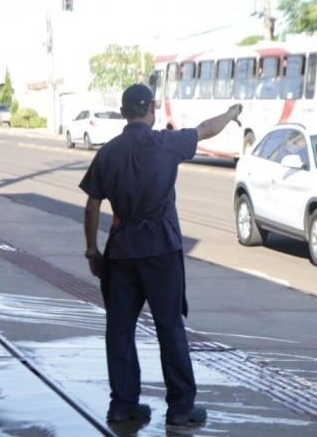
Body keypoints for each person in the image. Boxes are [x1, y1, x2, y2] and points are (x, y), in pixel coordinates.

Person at [79, 84, 242, 427]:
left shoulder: (108, 152)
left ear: (123, 112)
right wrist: (230, 114)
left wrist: (93, 251)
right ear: (151, 108)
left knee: (120, 330)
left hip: (121, 252)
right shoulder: (166, 143)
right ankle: (180, 409)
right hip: (161, 251)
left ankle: (124, 405)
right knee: (169, 327)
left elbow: (92, 204)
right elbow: (206, 129)